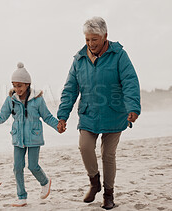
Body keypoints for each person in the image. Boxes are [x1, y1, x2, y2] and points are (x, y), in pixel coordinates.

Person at [57, 17, 141, 210]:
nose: (90, 44)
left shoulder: (119, 55)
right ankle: (94, 183)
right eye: (87, 39)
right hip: (89, 114)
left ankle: (108, 194)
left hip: (114, 113)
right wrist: (63, 116)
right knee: (85, 147)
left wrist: (133, 108)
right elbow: (70, 89)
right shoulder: (79, 59)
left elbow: (130, 82)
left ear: (105, 36)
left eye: (94, 39)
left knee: (108, 155)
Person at [0, 62, 58, 207]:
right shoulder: (11, 100)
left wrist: (58, 126)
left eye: (20, 85)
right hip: (18, 139)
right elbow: (1, 117)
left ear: (27, 84)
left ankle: (45, 182)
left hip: (34, 137)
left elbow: (47, 117)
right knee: (17, 167)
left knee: (33, 166)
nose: (17, 89)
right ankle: (21, 196)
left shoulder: (37, 100)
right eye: (14, 85)